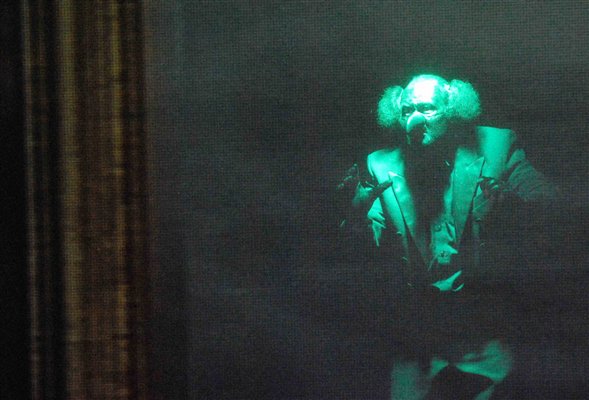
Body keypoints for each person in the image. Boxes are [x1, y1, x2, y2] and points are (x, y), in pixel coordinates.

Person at [340, 74, 558, 399]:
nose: (415, 119)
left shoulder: (496, 146)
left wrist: (511, 204)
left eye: (427, 108)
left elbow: (549, 204)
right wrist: (356, 214)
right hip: (418, 329)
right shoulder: (380, 164)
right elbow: (370, 245)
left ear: (453, 109)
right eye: (407, 110)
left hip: (484, 323)